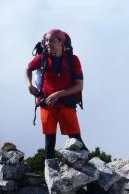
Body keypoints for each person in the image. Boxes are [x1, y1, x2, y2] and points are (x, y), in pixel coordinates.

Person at [25, 29, 86, 159]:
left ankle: (91, 170)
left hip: (66, 104)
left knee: (76, 140)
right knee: (49, 143)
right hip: (47, 104)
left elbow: (79, 86)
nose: (48, 44)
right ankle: (50, 174)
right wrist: (29, 86)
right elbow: (28, 68)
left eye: (52, 41)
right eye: (46, 41)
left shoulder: (73, 60)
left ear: (61, 42)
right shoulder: (42, 59)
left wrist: (58, 94)